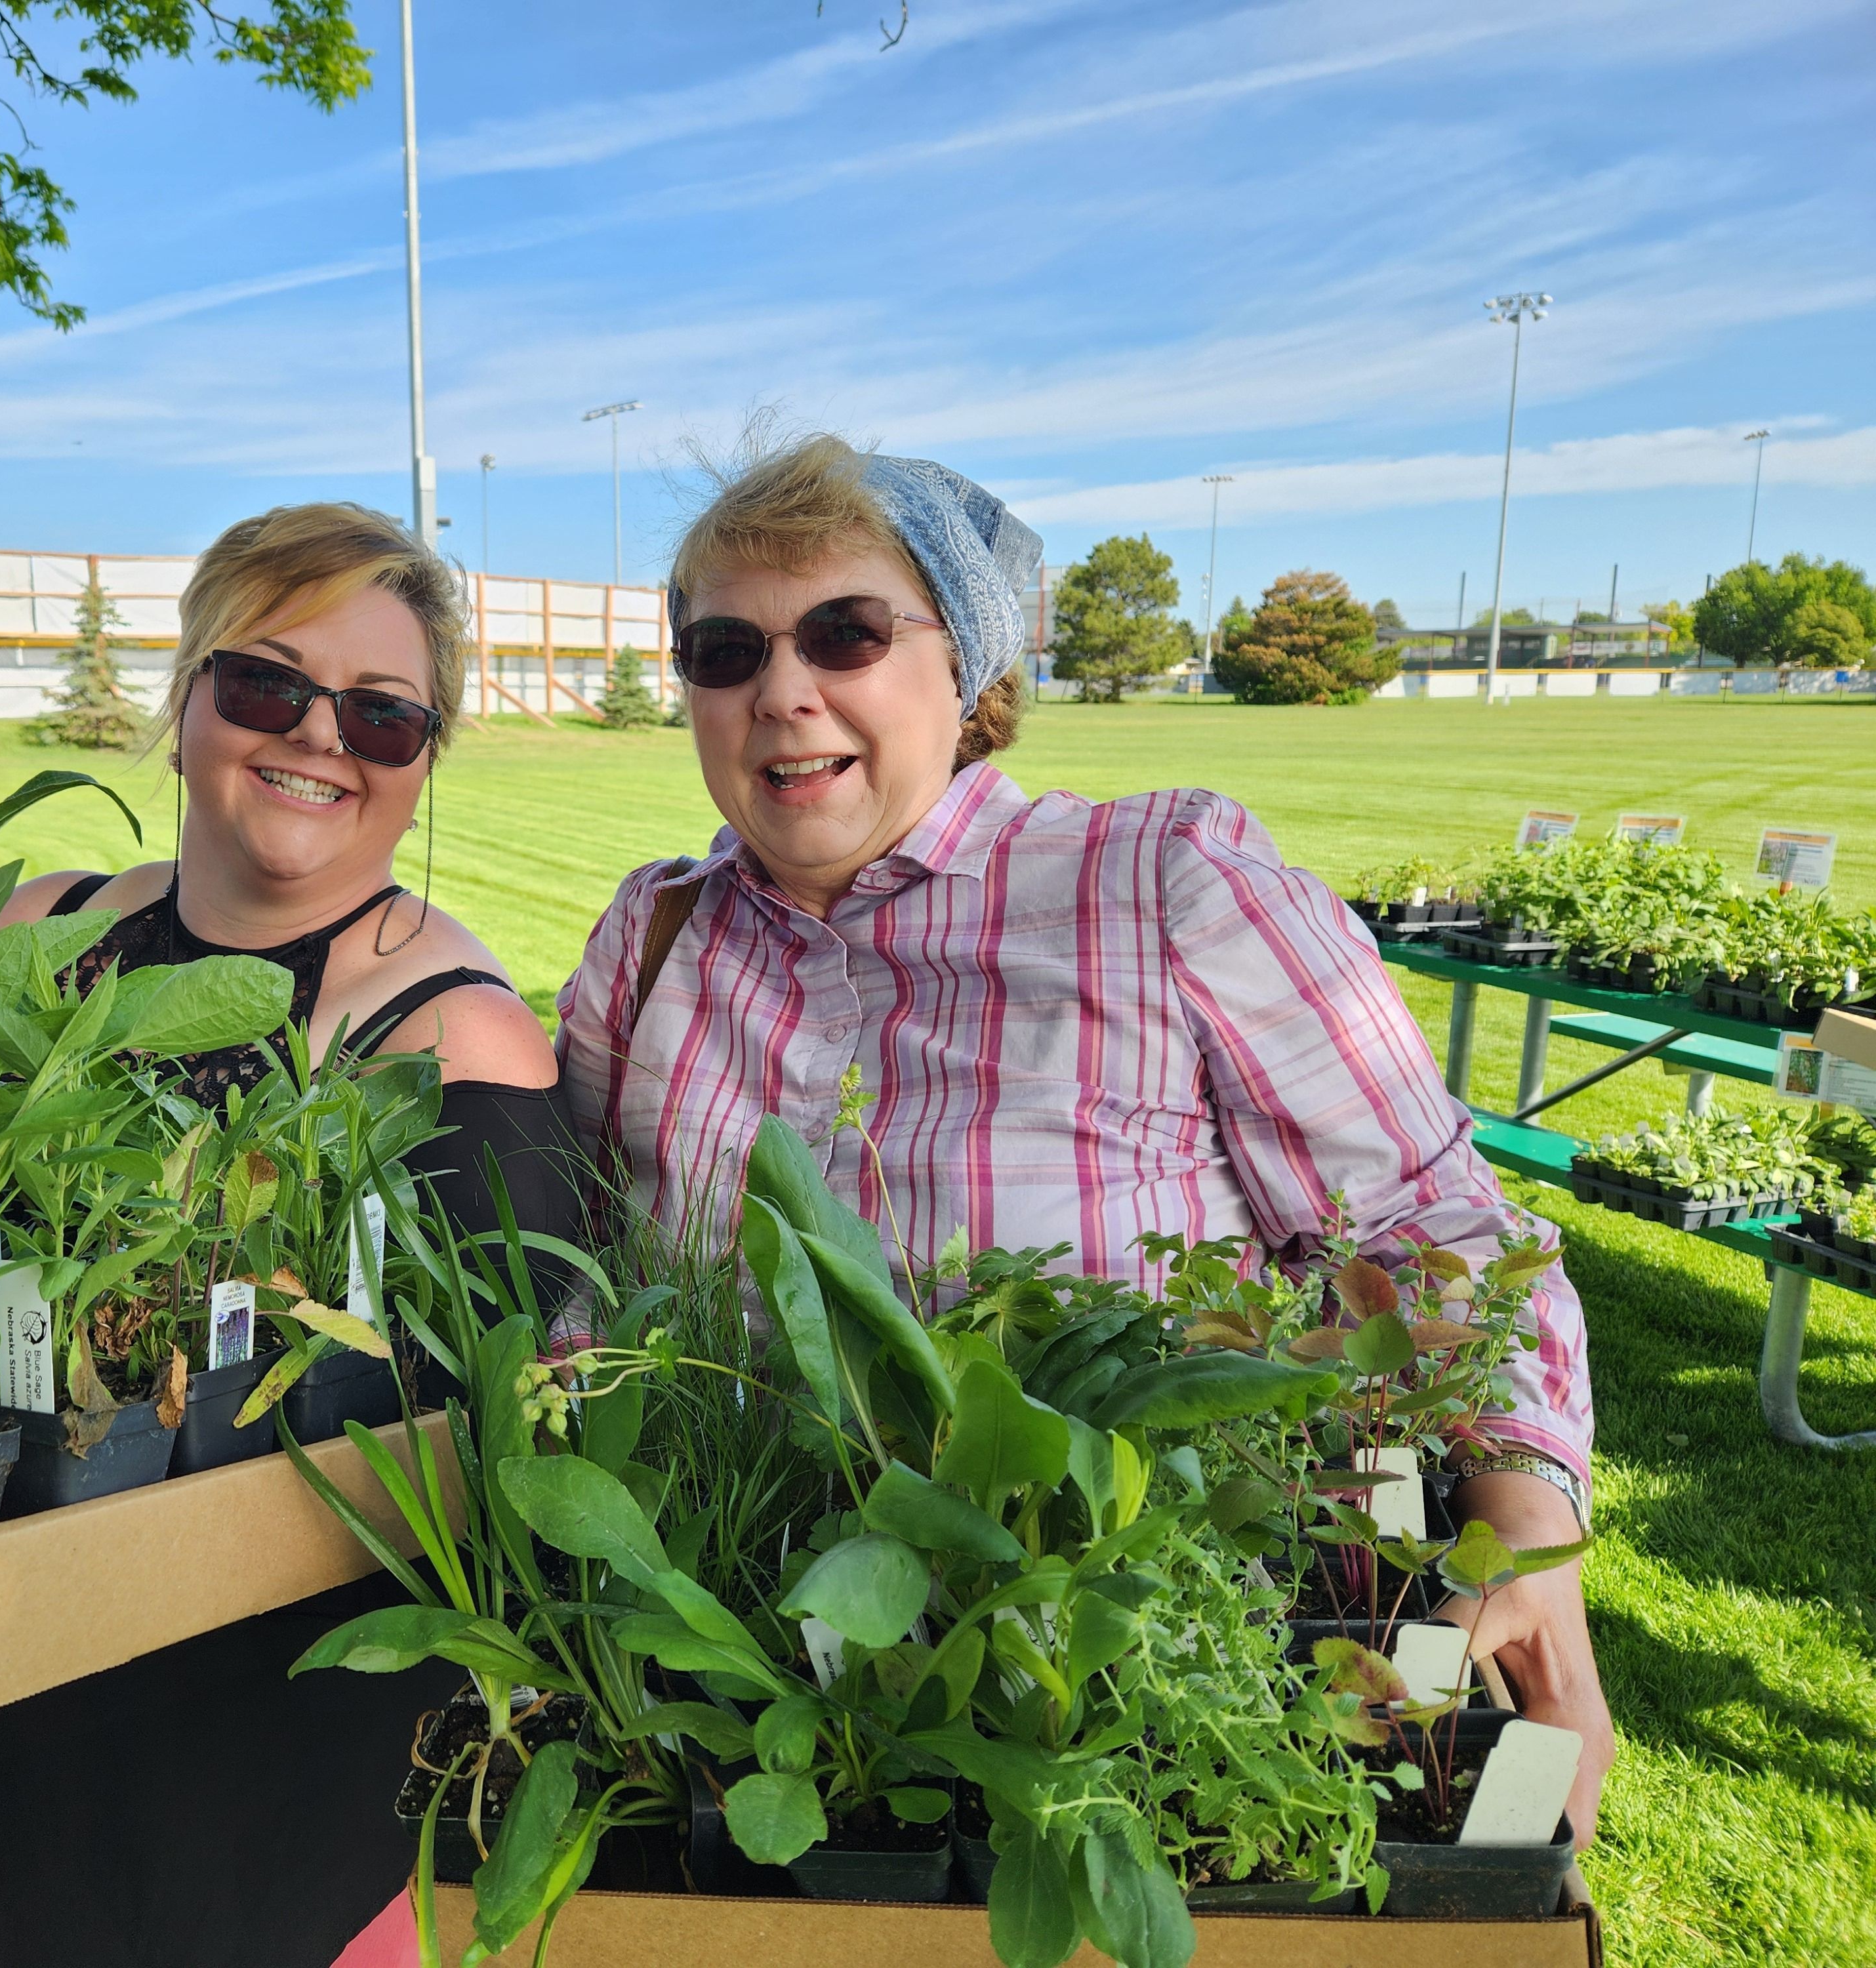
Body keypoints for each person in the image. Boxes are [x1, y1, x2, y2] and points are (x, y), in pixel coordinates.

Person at [554, 434, 1615, 1842]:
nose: (781, 691)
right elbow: (578, 1250)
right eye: (723, 650)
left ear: (965, 669)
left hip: (1124, 1693)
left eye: (844, 633)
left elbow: (1440, 1236)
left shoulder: (1160, 885)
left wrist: (1527, 1539)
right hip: (735, 1699)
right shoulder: (654, 934)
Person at [0, 502, 582, 1968]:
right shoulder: (40, 924)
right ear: (185, 695)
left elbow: (486, 1452)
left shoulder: (455, 1042)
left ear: (423, 759)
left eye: (383, 717)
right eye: (267, 683)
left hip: (230, 1752)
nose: (319, 736)